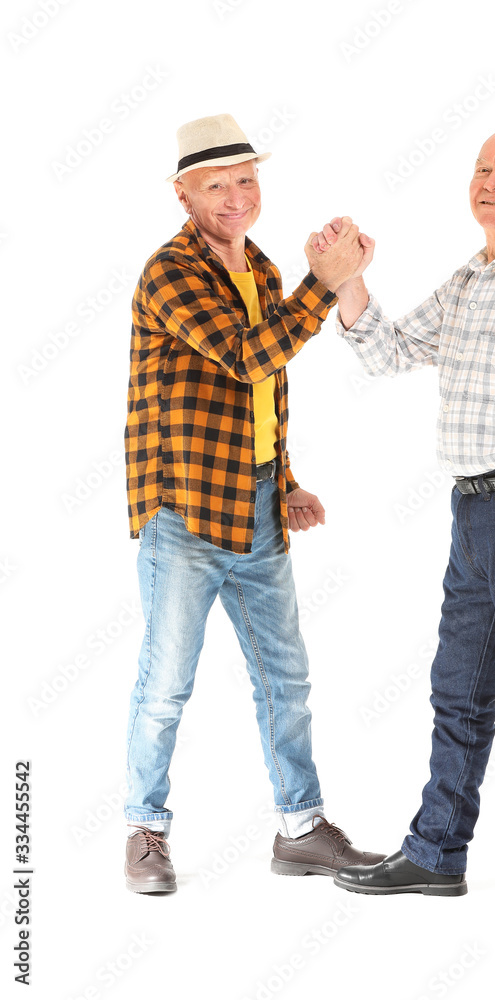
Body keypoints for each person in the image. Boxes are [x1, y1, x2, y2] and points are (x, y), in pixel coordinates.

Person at [317, 128, 495, 930]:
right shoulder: (474, 278)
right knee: (457, 693)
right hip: (473, 512)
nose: (490, 182)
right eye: (482, 169)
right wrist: (350, 281)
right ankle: (436, 853)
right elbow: (391, 350)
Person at [123, 113, 383, 893]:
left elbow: (265, 392)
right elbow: (245, 357)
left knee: (286, 678)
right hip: (185, 517)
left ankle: (299, 830)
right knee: (166, 684)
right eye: (215, 184)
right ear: (182, 193)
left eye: (245, 179)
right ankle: (144, 831)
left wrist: (287, 478)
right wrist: (326, 282)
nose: (235, 196)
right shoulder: (168, 272)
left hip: (259, 508)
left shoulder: (261, 270)